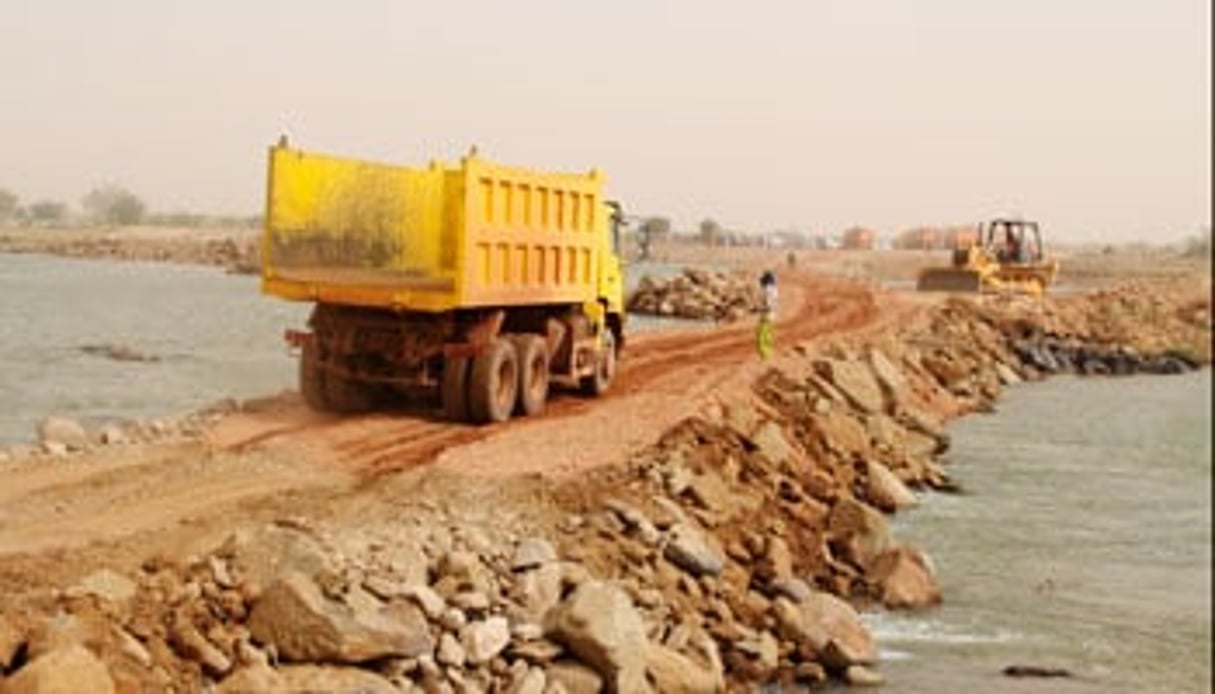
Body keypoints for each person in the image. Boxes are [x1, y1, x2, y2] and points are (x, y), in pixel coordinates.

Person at [757, 270, 777, 359]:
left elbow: (767, 304)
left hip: (766, 314)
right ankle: (768, 353)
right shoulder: (774, 289)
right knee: (768, 334)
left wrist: (759, 309)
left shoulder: (767, 290)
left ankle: (764, 355)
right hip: (772, 314)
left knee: (761, 335)